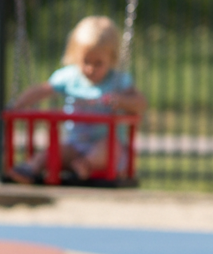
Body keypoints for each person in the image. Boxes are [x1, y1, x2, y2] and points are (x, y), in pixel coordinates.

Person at [8, 15, 147, 183]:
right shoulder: (69, 77)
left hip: (105, 147)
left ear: (112, 58)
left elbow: (140, 103)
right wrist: (17, 104)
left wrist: (121, 100)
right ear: (75, 55)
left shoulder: (118, 81)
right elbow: (42, 90)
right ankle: (31, 168)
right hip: (74, 145)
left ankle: (85, 165)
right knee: (55, 151)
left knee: (111, 147)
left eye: (98, 63)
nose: (90, 68)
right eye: (85, 61)